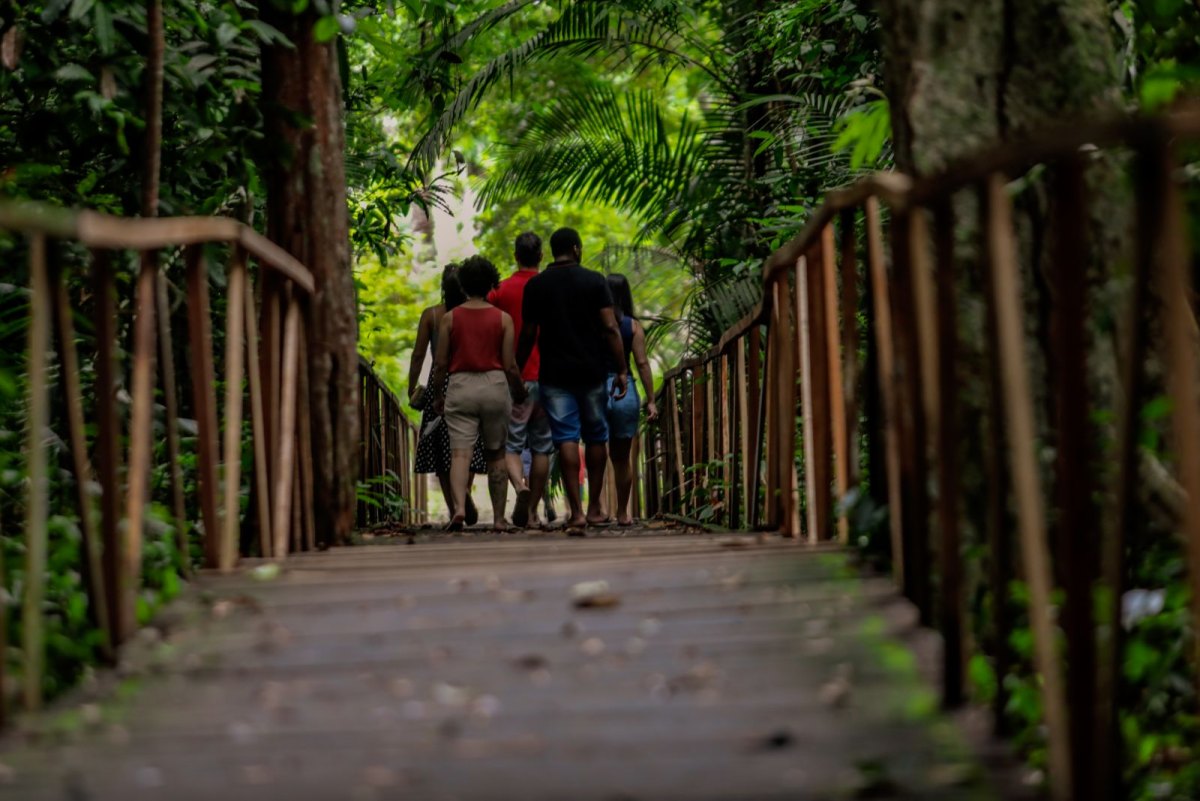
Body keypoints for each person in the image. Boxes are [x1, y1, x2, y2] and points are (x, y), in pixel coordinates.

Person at [517, 227, 628, 530]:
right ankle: (594, 509)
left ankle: (576, 512)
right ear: (577, 249)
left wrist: (515, 370)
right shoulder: (594, 281)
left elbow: (527, 334)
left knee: (566, 437)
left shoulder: (537, 286)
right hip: (592, 372)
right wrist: (621, 369)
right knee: (596, 436)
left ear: (551, 252)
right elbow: (610, 327)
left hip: (554, 374)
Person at [430, 256, 528, 531]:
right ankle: (498, 519)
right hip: (494, 386)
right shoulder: (503, 319)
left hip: (461, 385)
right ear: (491, 283)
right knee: (496, 454)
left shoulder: (450, 318)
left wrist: (438, 395)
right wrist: (519, 391)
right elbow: (510, 364)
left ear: (462, 285)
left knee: (460, 454)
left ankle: (460, 509)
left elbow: (440, 364)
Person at [487, 232, 554, 528]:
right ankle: (533, 512)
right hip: (551, 378)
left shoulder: (500, 292)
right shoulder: (551, 289)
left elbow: (482, 318)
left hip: (516, 379)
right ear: (541, 256)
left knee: (512, 445)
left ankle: (520, 488)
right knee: (542, 447)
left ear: (515, 255)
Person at [408, 264, 483, 525]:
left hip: (439, 384)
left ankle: (454, 509)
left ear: (443, 287)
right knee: (470, 443)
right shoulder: (473, 314)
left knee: (440, 448)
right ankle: (463, 490)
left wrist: (411, 387)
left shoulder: (431, 315)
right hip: (468, 380)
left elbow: (418, 355)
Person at [604, 274, 658, 526]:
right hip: (624, 393)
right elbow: (642, 363)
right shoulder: (634, 327)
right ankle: (623, 513)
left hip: (596, 389)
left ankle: (592, 509)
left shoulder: (595, 323)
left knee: (595, 450)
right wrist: (651, 399)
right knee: (621, 458)